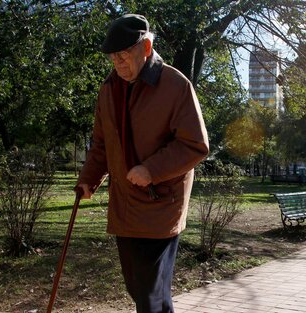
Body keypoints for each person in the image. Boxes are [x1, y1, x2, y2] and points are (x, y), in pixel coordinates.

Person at [76, 14, 209, 313]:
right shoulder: (108, 89)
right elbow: (101, 143)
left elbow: (195, 145)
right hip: (125, 204)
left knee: (149, 293)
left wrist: (152, 169)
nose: (119, 64)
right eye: (113, 57)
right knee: (140, 288)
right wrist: (89, 178)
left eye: (124, 55)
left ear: (146, 47)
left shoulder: (175, 85)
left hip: (160, 204)